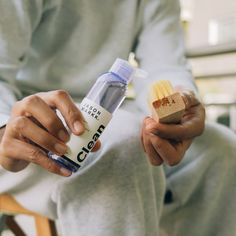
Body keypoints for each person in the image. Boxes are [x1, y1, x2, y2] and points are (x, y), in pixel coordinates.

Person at [0, 0, 235, 235]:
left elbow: (162, 64)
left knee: (221, 149)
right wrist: (4, 129)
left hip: (104, 109)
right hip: (29, 123)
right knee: (122, 146)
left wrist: (178, 106)